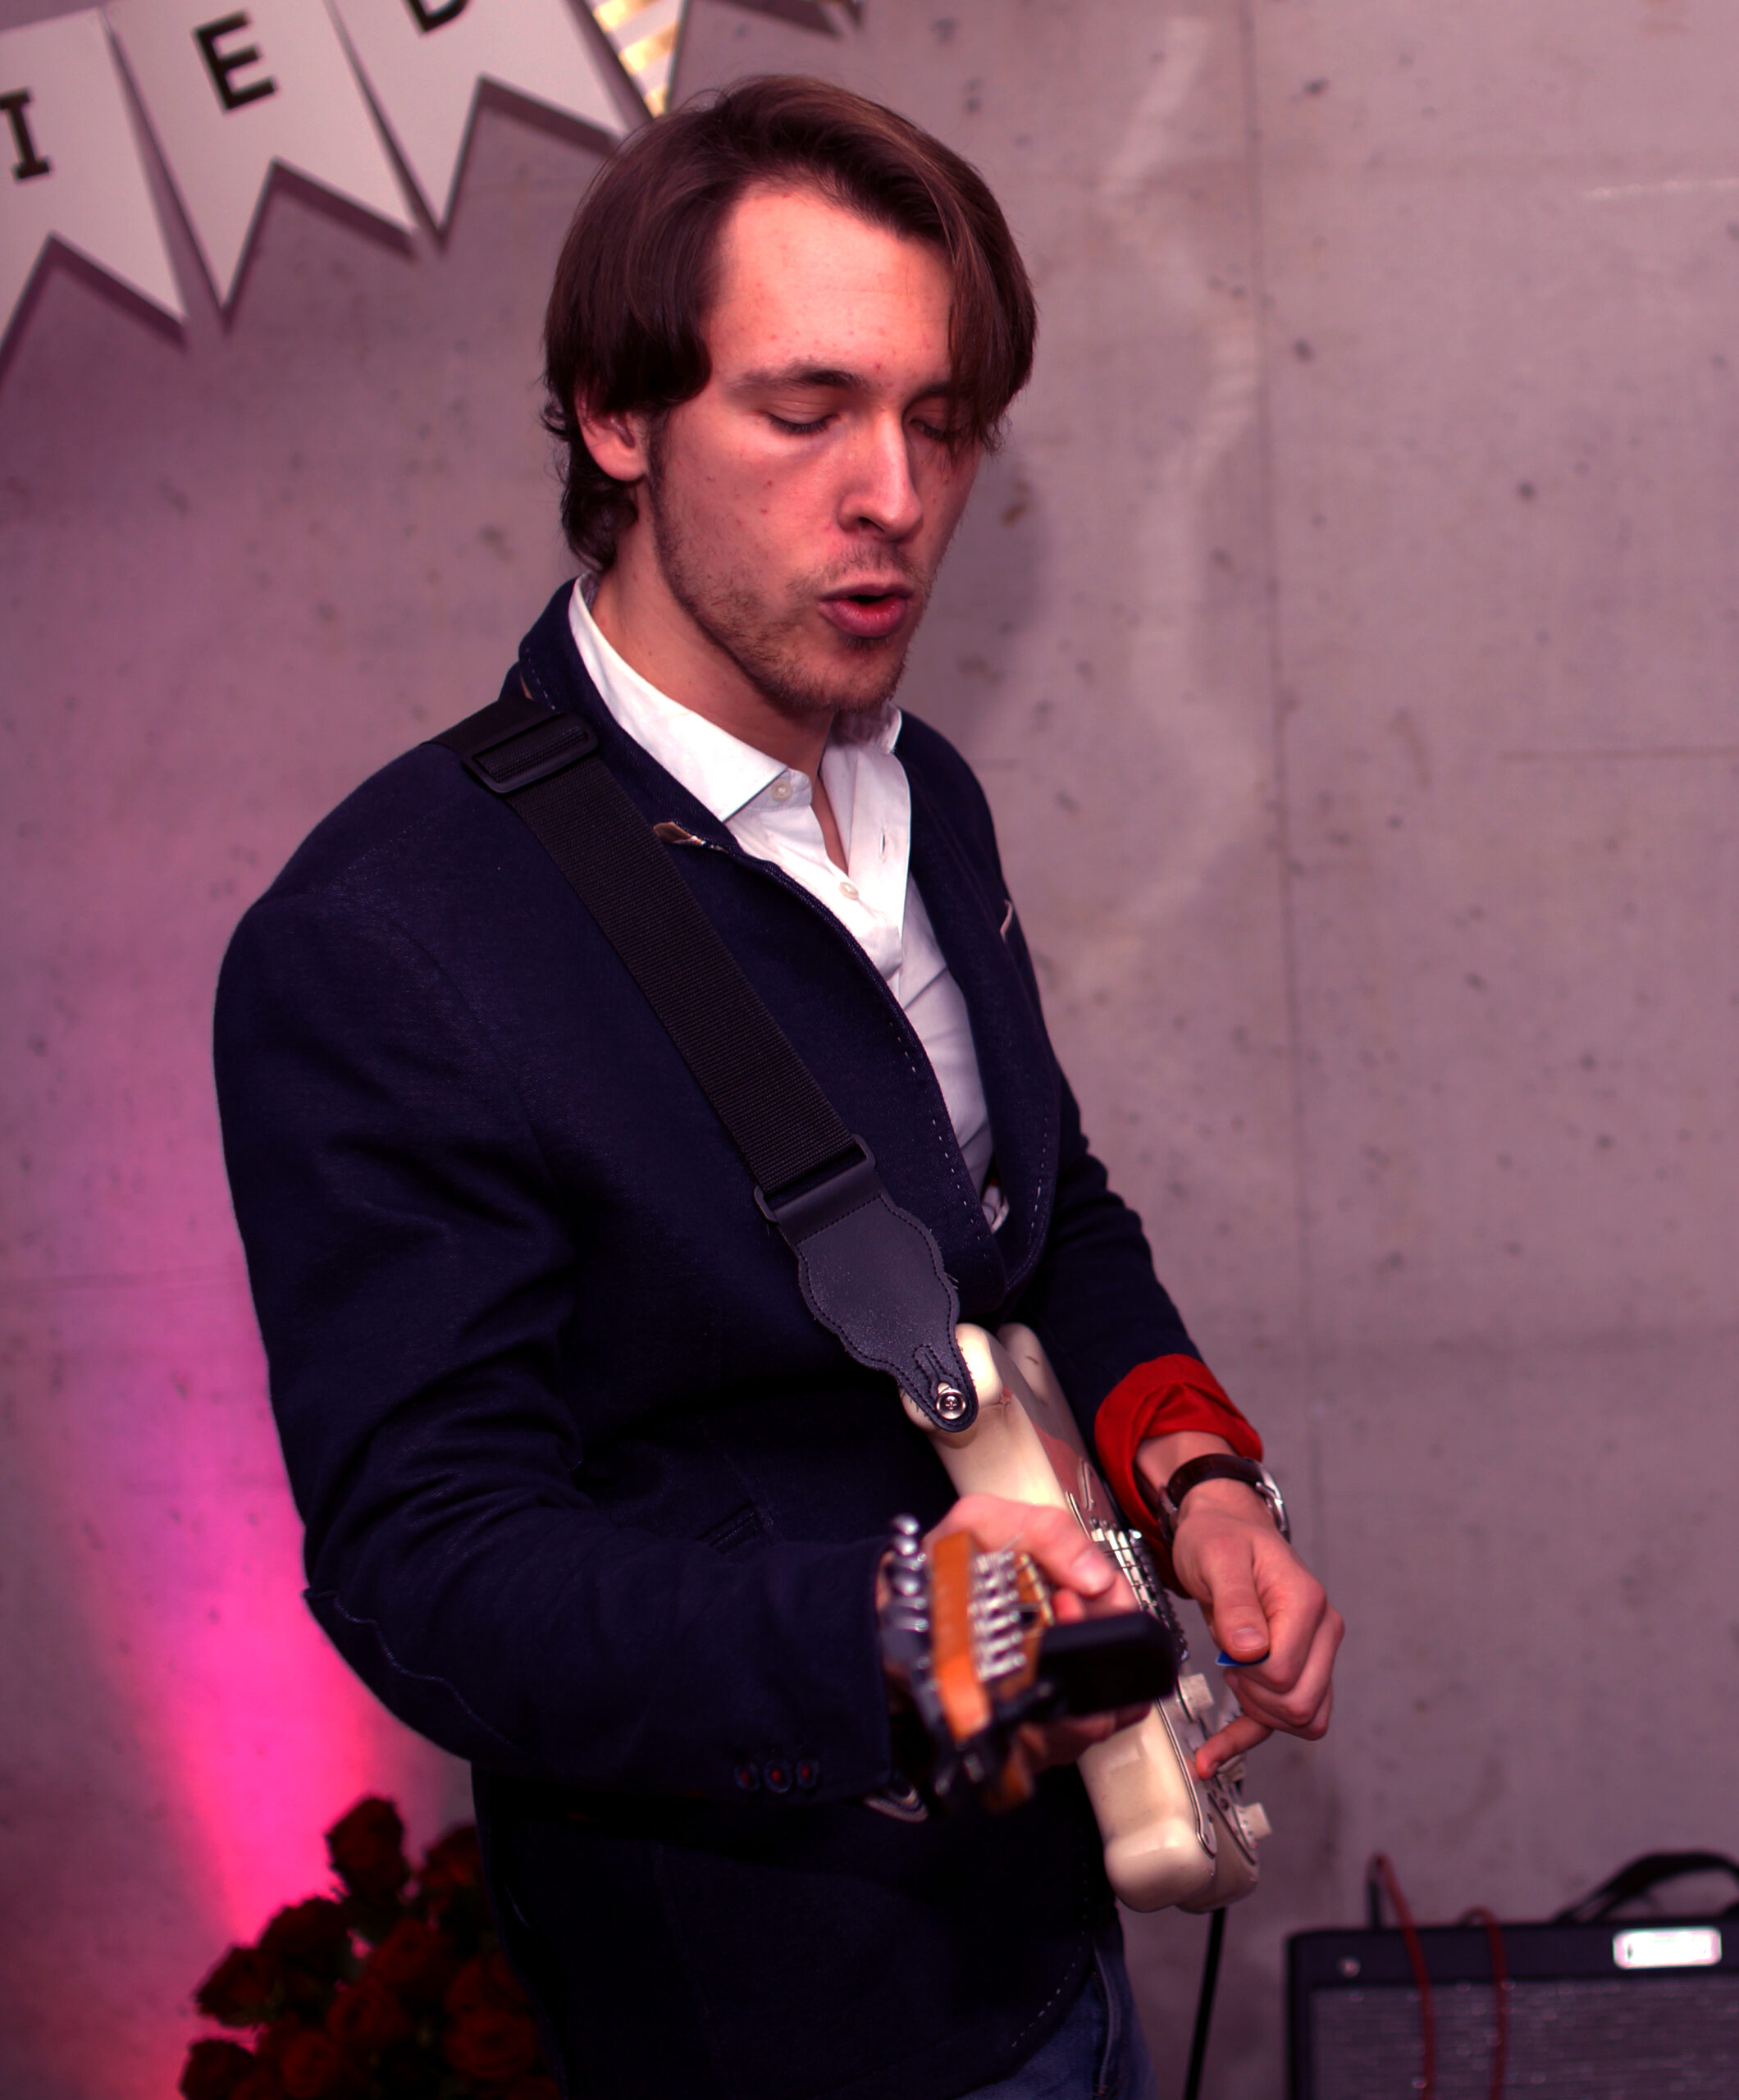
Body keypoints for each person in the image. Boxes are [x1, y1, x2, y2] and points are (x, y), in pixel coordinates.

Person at [214, 76, 1342, 2100]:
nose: (892, 492)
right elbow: (430, 1563)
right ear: (616, 414)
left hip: (1066, 1919)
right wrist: (898, 1630)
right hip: (782, 2013)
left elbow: (1028, 1216)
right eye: (805, 410)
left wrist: (1198, 1477)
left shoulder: (924, 795)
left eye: (941, 419)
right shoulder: (381, 937)